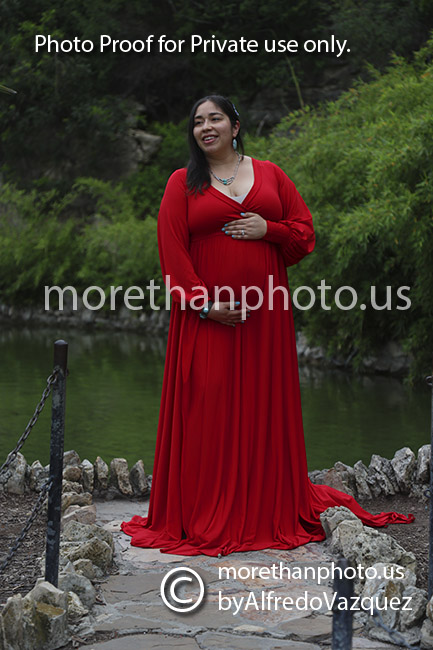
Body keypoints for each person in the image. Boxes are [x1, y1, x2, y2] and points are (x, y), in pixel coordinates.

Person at [121, 95, 414, 556]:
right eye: (197, 122)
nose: (206, 127)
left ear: (235, 126)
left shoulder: (272, 175)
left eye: (215, 118)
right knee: (208, 407)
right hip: (206, 319)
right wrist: (204, 305)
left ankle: (262, 508)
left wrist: (268, 230)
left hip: (266, 317)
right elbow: (172, 254)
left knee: (262, 404)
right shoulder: (182, 182)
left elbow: (304, 234)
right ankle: (205, 511)